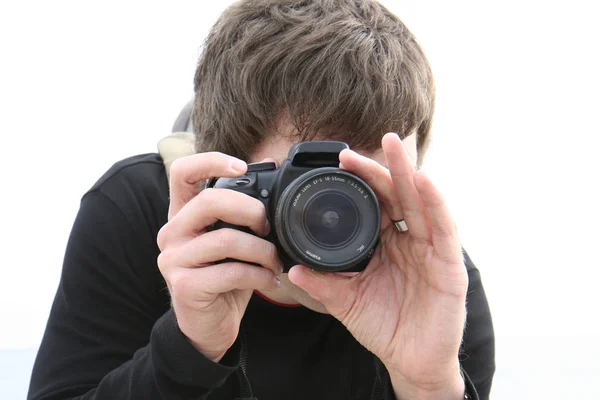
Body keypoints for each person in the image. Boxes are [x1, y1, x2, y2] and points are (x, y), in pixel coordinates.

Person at [28, 0, 495, 399]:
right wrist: (187, 349)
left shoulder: (432, 286)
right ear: (225, 177)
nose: (343, 218)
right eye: (310, 183)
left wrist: (429, 386)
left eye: (373, 185)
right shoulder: (138, 213)